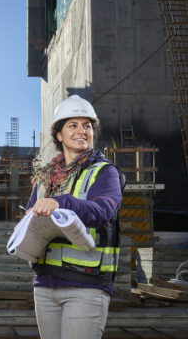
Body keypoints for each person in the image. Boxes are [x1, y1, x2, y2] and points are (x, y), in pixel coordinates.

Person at [25, 95, 123, 339]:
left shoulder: (104, 172)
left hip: (86, 286)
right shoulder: (45, 178)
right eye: (73, 125)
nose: (82, 131)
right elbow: (28, 218)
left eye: (87, 126)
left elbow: (101, 212)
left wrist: (60, 203)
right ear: (59, 135)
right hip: (45, 285)